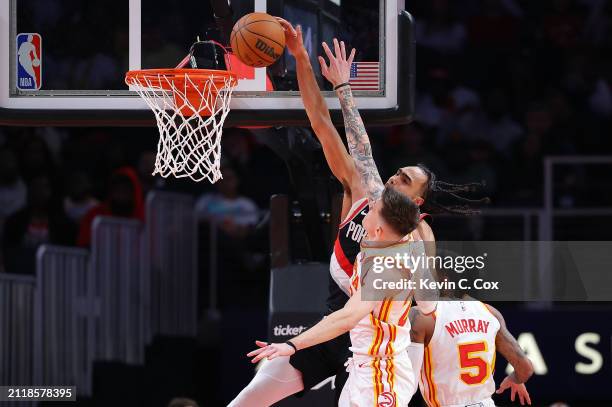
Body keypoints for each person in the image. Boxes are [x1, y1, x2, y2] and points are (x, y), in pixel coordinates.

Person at [228, 18, 487, 407]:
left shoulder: (416, 240)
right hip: (334, 330)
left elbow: (425, 306)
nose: (393, 178)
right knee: (250, 396)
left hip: (378, 350)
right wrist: (303, 60)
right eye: (398, 173)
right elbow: (326, 126)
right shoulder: (366, 191)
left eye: (404, 180)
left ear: (414, 205)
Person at [247, 187, 427, 407]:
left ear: (379, 229)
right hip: (364, 367)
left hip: (382, 376)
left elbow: (348, 317)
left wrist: (292, 345)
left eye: (372, 210)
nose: (367, 209)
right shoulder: (392, 238)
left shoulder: (386, 269)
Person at [409, 252, 534, 406]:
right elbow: (525, 368)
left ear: (444, 280)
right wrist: (515, 378)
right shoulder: (490, 312)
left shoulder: (422, 316)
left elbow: (408, 382)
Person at [77, 167, 145, 247]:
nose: (121, 193)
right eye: (118, 188)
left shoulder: (145, 217)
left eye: (126, 189)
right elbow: (84, 243)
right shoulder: (95, 215)